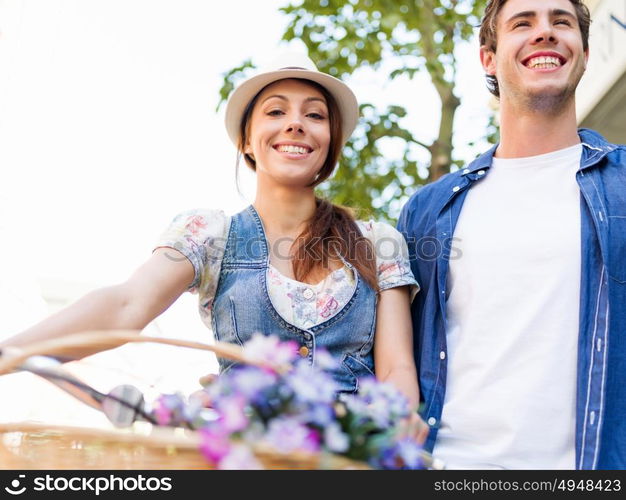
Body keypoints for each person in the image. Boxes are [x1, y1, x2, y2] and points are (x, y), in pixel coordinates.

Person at [1, 53, 427, 438]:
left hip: (347, 459)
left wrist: (395, 429)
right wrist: (12, 352)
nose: (295, 123)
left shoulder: (377, 242)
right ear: (245, 141)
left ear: (331, 140)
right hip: (239, 457)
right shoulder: (209, 234)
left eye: (314, 116)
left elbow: (396, 369)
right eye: (276, 111)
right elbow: (126, 304)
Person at [397, 0, 626, 469]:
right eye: (523, 23)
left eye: (561, 22)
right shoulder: (428, 210)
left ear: (583, 51)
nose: (545, 33)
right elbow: (385, 356)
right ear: (489, 58)